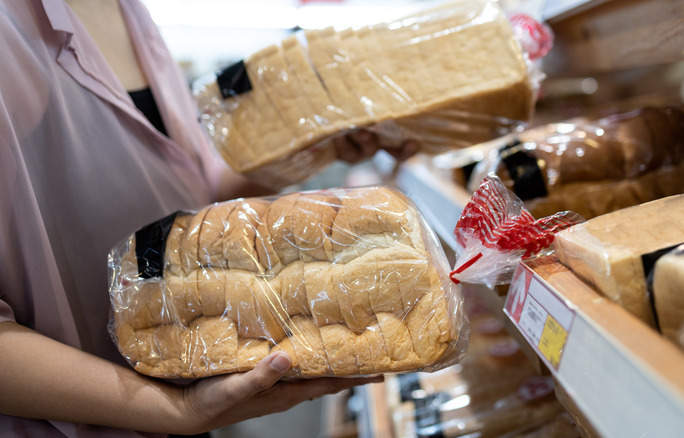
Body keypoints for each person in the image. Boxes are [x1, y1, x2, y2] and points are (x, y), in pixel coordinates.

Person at [0, 0, 418, 436]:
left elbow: (191, 199)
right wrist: (174, 410)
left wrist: (317, 143)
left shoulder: (132, 12)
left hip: (188, 388)